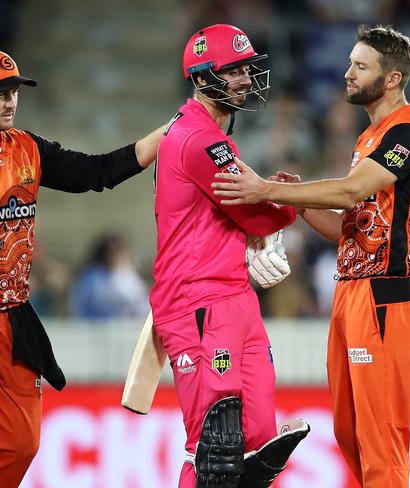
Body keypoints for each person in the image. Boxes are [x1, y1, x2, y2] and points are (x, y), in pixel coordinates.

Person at [212, 25, 410, 488]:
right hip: (354, 291)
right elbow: (351, 227)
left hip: (391, 295)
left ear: (393, 79)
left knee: (382, 435)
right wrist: (296, 201)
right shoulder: (370, 139)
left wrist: (265, 188)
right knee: (351, 432)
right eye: (350, 63)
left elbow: (353, 190)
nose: (347, 74)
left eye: (361, 66)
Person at [151, 24, 309, 488]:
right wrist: (292, 200)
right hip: (195, 301)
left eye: (246, 68)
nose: (244, 78)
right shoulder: (199, 141)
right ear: (201, 78)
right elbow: (260, 216)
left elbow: (244, 216)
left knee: (257, 444)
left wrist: (268, 211)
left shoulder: (212, 138)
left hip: (235, 297)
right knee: (214, 447)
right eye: (233, 70)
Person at [0, 51, 164, 487]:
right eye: (0, 93)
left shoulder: (27, 149)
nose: (9, 101)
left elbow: (98, 171)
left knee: (22, 442)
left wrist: (170, 133)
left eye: (13, 91)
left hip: (13, 316)